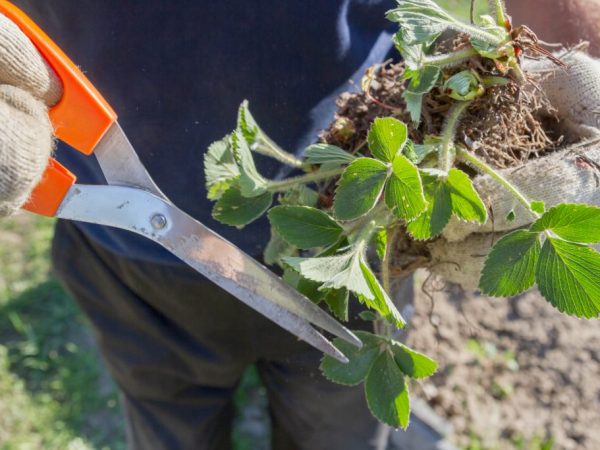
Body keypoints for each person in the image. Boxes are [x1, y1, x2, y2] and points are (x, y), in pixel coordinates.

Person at [0, 1, 598, 449]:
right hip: (123, 246)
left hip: (359, 235)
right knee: (170, 426)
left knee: (336, 430)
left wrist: (573, 69)